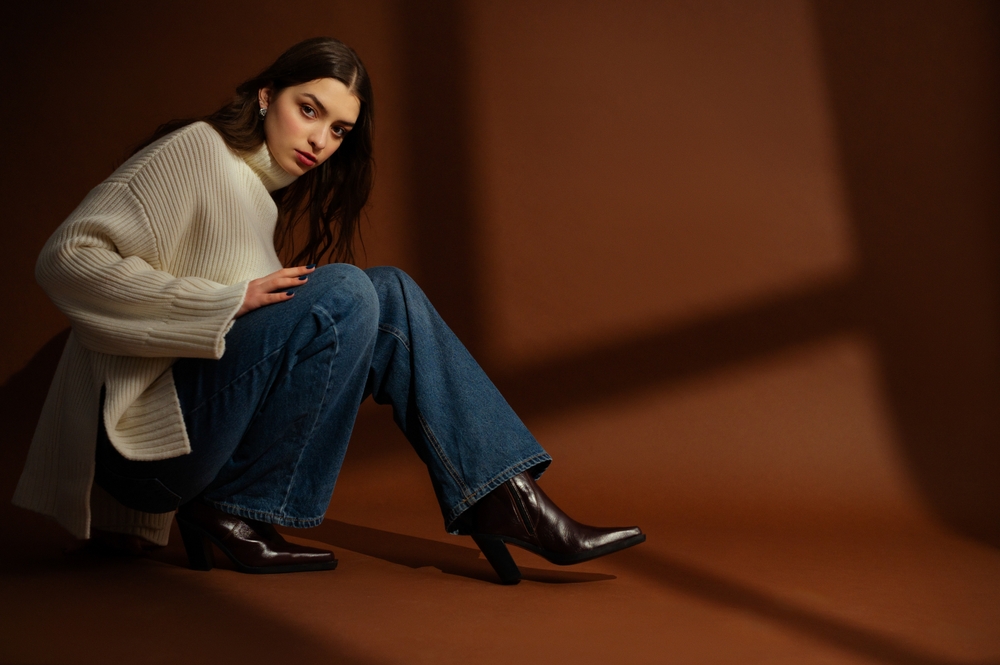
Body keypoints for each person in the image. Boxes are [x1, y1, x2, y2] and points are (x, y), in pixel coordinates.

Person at [13, 37, 644, 584]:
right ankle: (240, 504)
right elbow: (66, 257)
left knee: (388, 291)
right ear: (266, 96)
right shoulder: (195, 151)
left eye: (338, 129)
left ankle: (504, 497)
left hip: (194, 440)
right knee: (343, 290)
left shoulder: (256, 194)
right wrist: (224, 299)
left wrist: (235, 304)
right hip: (145, 455)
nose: (319, 139)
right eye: (307, 110)